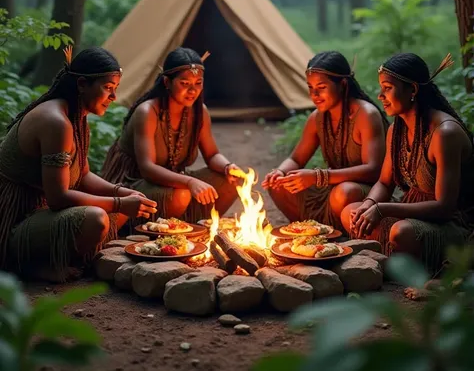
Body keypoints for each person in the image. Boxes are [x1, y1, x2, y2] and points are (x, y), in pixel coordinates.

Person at [0, 46, 157, 282]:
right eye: (108, 88)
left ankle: (60, 254)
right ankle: (26, 263)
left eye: (115, 89)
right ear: (82, 84)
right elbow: (58, 198)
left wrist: (122, 193)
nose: (113, 97)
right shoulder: (56, 122)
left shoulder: (76, 118)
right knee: (97, 218)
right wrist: (118, 202)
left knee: (121, 210)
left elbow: (82, 175)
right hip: (15, 220)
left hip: (42, 213)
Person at [342, 53, 474, 273]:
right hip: (413, 212)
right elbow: (384, 184)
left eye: (387, 88)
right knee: (351, 212)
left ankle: (405, 259)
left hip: (453, 223)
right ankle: (398, 258)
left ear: (412, 90)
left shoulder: (444, 133)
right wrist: (368, 204)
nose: (380, 95)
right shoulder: (396, 130)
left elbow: (444, 207)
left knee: (401, 232)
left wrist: (381, 208)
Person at [101, 47, 244, 222]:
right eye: (185, 83)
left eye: (198, 83)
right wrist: (189, 182)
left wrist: (228, 167)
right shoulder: (148, 112)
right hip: (134, 184)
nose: (192, 90)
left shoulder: (200, 112)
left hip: (173, 180)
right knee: (180, 195)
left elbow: (212, 155)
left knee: (232, 180)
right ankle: (155, 229)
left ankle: (198, 227)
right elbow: (147, 169)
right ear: (167, 83)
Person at [262, 51, 387, 230]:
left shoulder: (366, 115)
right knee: (278, 186)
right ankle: (308, 231)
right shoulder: (317, 118)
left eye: (321, 87)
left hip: (365, 191)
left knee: (343, 193)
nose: (314, 94)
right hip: (330, 187)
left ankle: (341, 232)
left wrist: (319, 176)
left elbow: (374, 170)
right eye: (310, 87)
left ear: (342, 84)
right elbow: (296, 159)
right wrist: (280, 172)